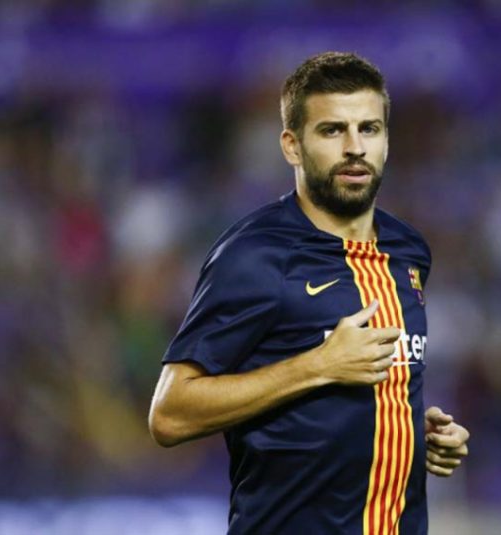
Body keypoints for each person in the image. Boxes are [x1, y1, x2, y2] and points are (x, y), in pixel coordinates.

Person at [148, 51, 470, 534]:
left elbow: (345, 399)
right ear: (292, 146)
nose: (354, 147)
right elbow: (170, 414)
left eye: (369, 129)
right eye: (332, 130)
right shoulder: (256, 255)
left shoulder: (408, 252)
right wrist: (316, 365)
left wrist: (407, 430)